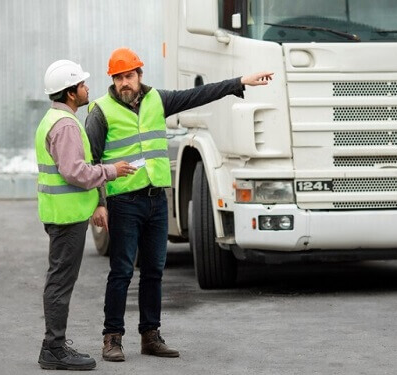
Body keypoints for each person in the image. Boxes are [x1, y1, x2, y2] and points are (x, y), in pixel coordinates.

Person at [85, 47, 273, 362]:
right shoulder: (101, 111)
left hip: (157, 200)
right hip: (123, 202)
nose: (123, 83)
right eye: (118, 77)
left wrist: (240, 81)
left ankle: (150, 336)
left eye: (128, 75)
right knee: (121, 271)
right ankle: (112, 337)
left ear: (139, 75)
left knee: (155, 271)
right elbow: (90, 160)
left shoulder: (159, 100)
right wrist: (98, 203)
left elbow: (198, 95)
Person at [35, 59, 135, 370]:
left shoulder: (57, 119)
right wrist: (111, 171)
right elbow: (74, 171)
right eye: (81, 85)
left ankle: (55, 344)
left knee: (60, 279)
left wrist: (96, 202)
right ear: (70, 93)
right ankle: (53, 347)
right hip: (65, 217)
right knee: (61, 282)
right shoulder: (65, 125)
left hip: (64, 213)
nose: (87, 87)